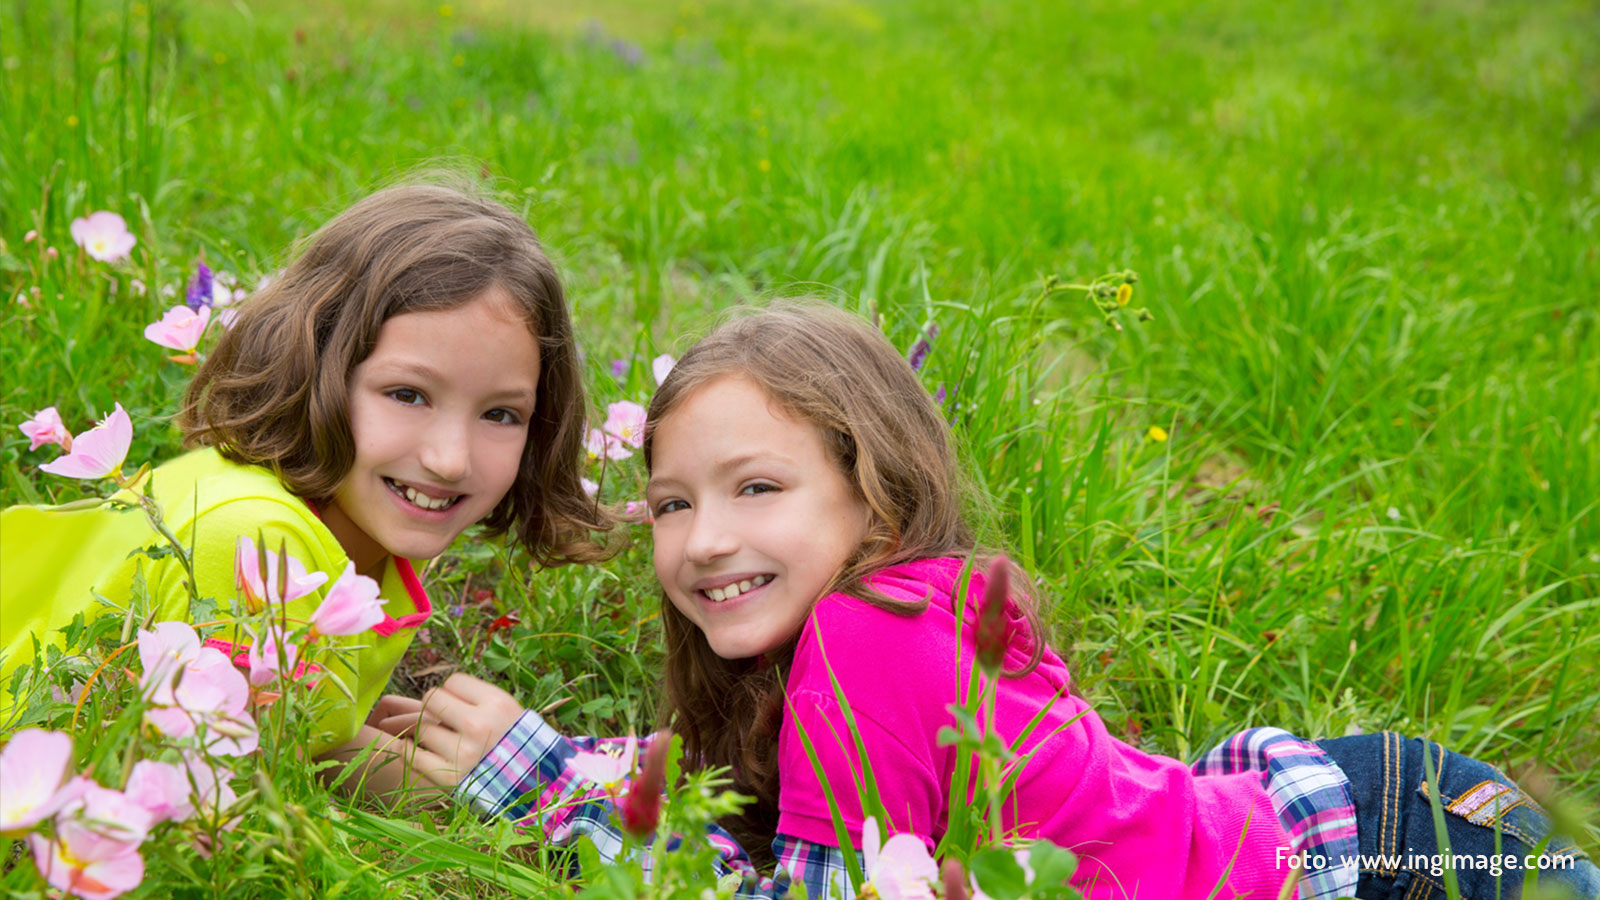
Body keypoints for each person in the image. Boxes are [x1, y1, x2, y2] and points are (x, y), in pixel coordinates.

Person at [366, 303, 1599, 899]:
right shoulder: (836, 646)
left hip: (1398, 861)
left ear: (879, 504)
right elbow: (713, 795)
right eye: (675, 502)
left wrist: (525, 783)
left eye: (756, 486)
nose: (705, 539)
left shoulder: (871, 638)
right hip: (1348, 802)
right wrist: (565, 767)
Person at [1, 180, 611, 761]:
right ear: (316, 366)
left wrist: (359, 735)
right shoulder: (256, 537)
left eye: (500, 413)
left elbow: (290, 733)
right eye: (406, 395)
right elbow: (218, 769)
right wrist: (467, 787)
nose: (449, 459)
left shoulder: (366, 515)